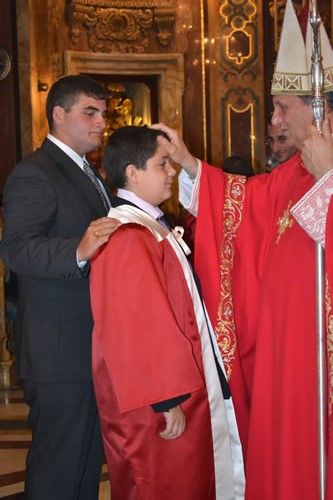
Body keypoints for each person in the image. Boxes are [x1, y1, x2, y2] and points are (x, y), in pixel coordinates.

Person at [151, 1, 333, 498]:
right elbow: (242, 206)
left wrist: (331, 178)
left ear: (318, 107)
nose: (273, 118)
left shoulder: (318, 167)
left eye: (282, 107)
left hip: (321, 359)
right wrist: (191, 165)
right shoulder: (291, 172)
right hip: (284, 354)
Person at [89, 125, 245, 499]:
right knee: (162, 485)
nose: (172, 172)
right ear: (132, 172)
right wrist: (166, 399)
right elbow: (137, 325)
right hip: (156, 402)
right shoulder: (128, 235)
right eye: (163, 164)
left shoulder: (150, 226)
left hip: (172, 390)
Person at [0, 75, 122, 499]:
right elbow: (16, 249)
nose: (100, 122)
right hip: (58, 352)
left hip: (86, 346)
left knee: (84, 464)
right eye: (90, 112)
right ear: (59, 114)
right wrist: (79, 249)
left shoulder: (87, 171)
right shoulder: (35, 172)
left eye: (103, 114)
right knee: (59, 469)